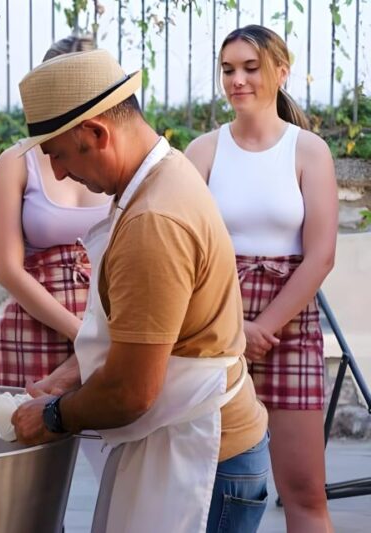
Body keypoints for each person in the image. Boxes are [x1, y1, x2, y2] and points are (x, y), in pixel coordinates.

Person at [10, 49, 269, 533]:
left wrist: (50, 415)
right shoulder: (162, 170)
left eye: (59, 155)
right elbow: (149, 332)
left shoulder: (153, 219)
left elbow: (131, 392)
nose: (61, 174)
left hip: (206, 458)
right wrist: (69, 375)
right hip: (203, 443)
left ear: (96, 133)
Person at [185, 25, 337, 533]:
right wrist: (234, 329)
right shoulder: (202, 152)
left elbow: (320, 256)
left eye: (250, 67)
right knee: (211, 483)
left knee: (304, 492)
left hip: (288, 327)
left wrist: (262, 328)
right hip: (214, 326)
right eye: (228, 69)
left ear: (280, 71)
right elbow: (186, 252)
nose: (237, 79)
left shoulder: (308, 151)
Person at [0, 34, 111, 388]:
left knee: (109, 439)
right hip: (35, 327)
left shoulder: (117, 161)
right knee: (30, 433)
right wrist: (78, 332)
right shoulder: (16, 161)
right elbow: (9, 270)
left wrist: (96, 334)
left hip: (106, 323)